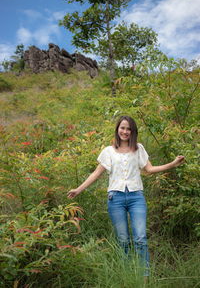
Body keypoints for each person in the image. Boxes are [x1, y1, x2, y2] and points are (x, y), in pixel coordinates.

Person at [67, 116, 184, 276]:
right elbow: (96, 174)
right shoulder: (108, 151)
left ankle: (144, 277)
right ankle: (128, 275)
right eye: (122, 128)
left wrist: (172, 164)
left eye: (129, 129)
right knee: (123, 240)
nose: (125, 131)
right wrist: (78, 189)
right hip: (115, 199)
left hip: (137, 197)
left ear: (133, 131)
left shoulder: (138, 149)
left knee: (140, 238)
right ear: (117, 129)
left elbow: (149, 169)